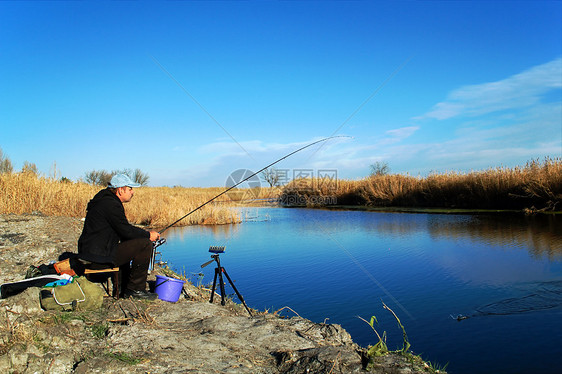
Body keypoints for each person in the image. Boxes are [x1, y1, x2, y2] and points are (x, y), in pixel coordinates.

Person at [78, 173, 160, 299]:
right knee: (145, 244)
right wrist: (148, 234)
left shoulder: (104, 199)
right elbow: (126, 230)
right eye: (130, 189)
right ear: (121, 190)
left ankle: (123, 287)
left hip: (92, 254)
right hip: (96, 258)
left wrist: (140, 235)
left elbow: (124, 231)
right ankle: (135, 290)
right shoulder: (110, 204)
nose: (132, 192)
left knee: (129, 244)